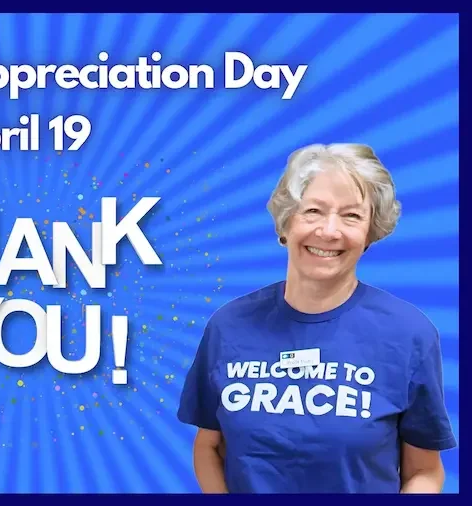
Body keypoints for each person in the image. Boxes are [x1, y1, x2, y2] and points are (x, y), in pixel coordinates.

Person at [177, 143, 456, 494]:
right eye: (313, 211)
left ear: (370, 233)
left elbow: (424, 472)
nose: (329, 231)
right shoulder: (228, 325)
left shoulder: (409, 333)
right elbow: (209, 447)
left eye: (351, 216)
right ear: (286, 222)